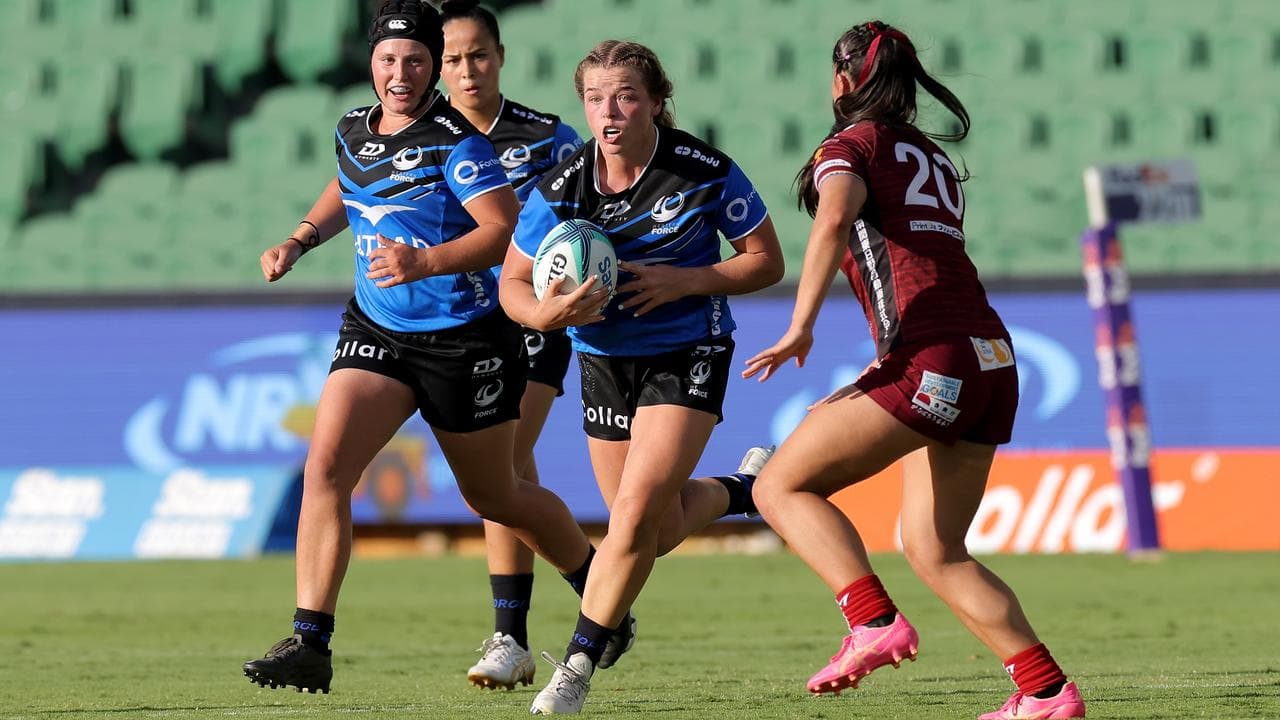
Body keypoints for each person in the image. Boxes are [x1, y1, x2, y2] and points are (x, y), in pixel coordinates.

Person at [240, 0, 600, 695]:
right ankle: (311, 640)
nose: (399, 73)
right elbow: (350, 187)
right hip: (376, 330)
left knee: (497, 494)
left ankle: (596, 586)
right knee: (326, 469)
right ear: (370, 63)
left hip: (464, 341)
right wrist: (300, 238)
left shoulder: (455, 141)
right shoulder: (352, 127)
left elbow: (501, 230)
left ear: (431, 66)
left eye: (414, 61)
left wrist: (423, 263)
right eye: (387, 60)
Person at [742, 21, 1087, 720]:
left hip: (934, 356)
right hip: (992, 355)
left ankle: (870, 620)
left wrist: (800, 323)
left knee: (778, 485)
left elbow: (834, 219)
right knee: (935, 548)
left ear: (843, 83)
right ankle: (1046, 693)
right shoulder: (926, 152)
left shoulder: (847, 146)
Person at [500, 40, 785, 715]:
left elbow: (766, 261)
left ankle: (574, 670)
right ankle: (745, 490)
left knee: (629, 521)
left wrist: (685, 279)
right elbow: (512, 283)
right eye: (596, 99)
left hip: (688, 351)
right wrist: (545, 314)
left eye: (626, 96)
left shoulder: (701, 170)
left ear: (656, 101)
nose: (610, 112)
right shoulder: (563, 185)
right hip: (602, 360)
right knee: (651, 533)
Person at [437, 0, 595, 692]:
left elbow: (588, 224)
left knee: (503, 466)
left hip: (532, 318)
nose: (467, 70)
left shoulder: (547, 138)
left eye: (478, 54)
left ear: (500, 55)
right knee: (504, 476)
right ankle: (598, 594)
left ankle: (513, 637)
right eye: (452, 59)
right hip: (454, 327)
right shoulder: (418, 136)